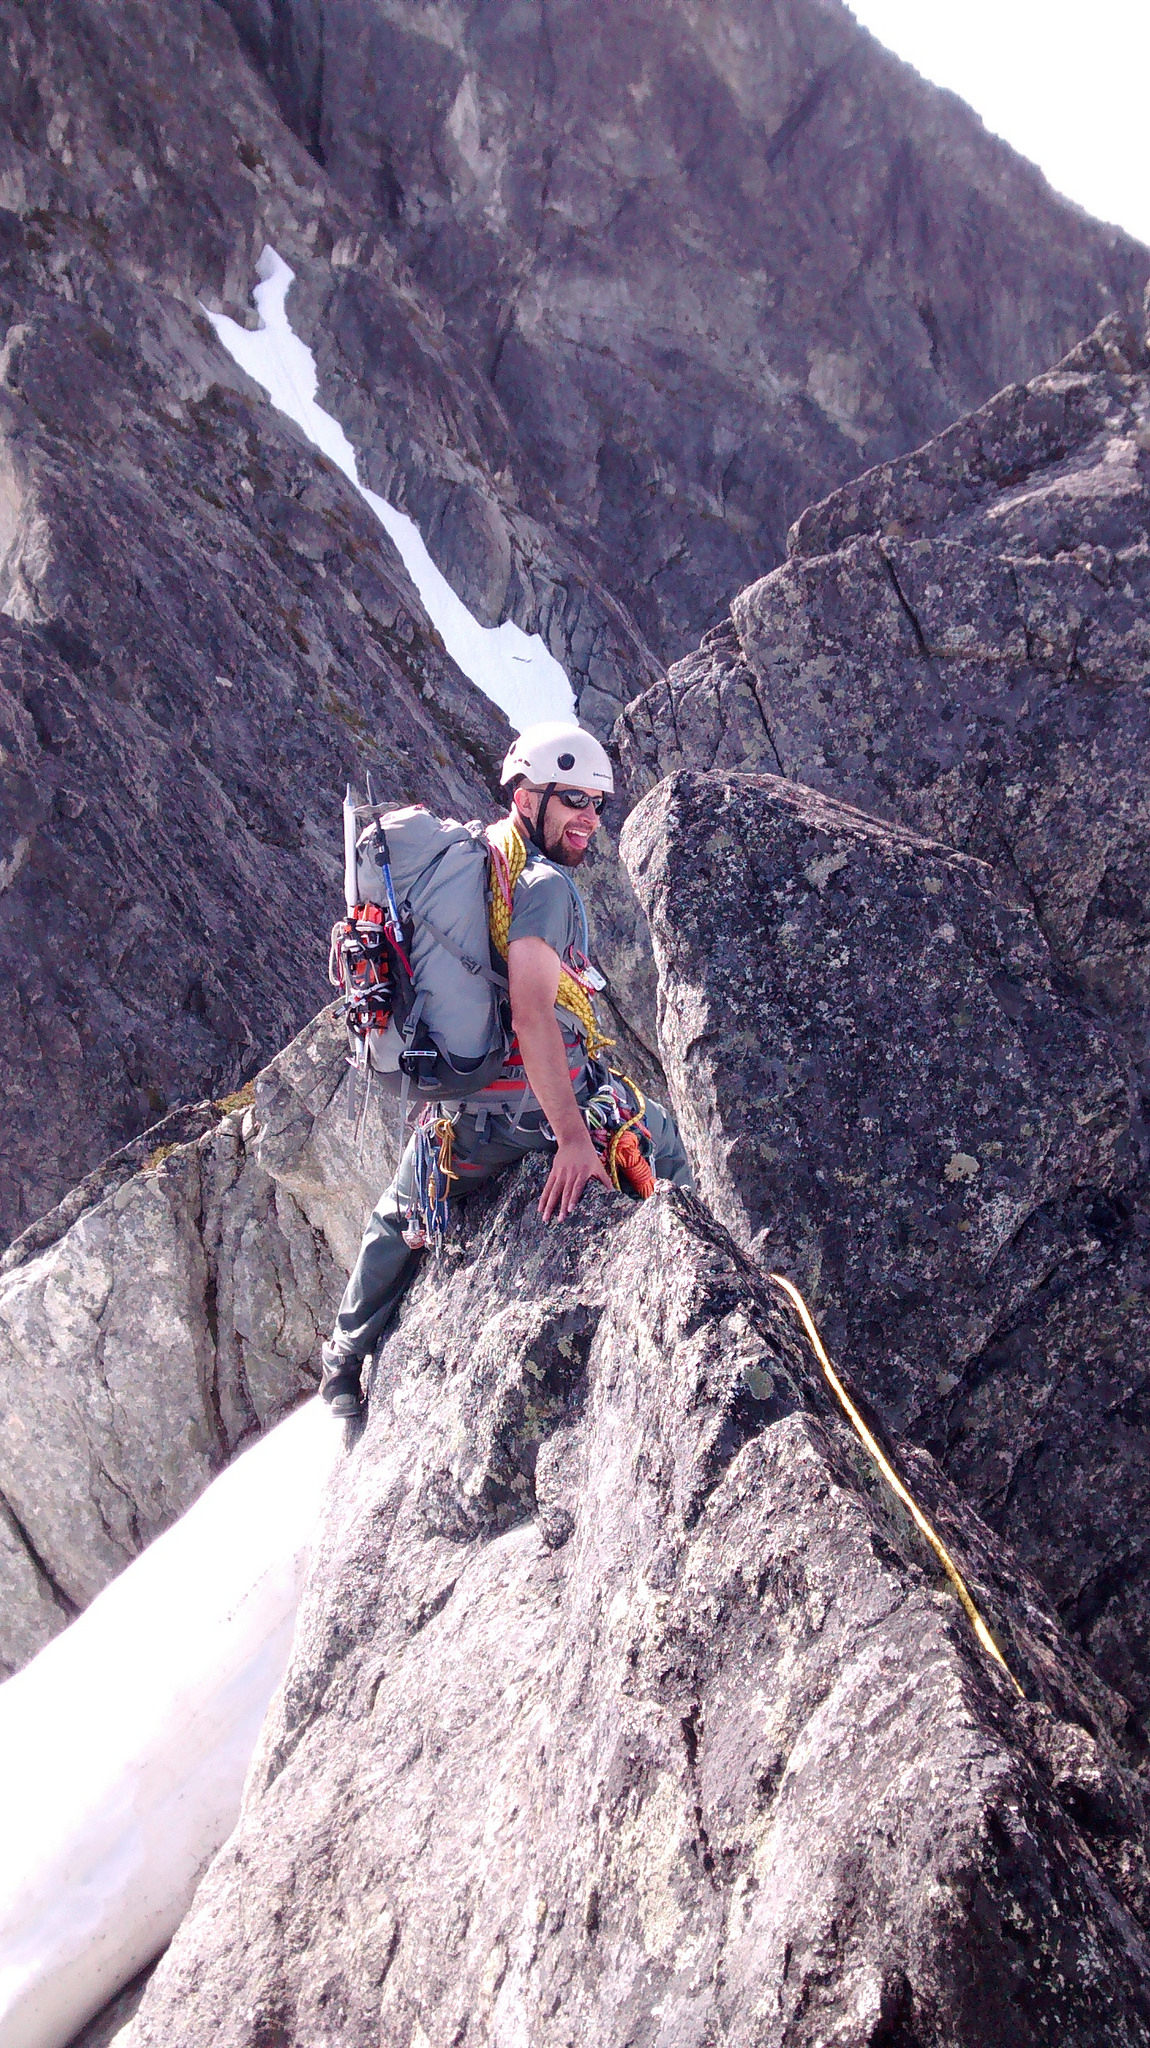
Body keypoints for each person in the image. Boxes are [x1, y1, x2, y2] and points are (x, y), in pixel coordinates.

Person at [320, 720, 693, 1417]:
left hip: (468, 1124)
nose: (589, 817)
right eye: (574, 799)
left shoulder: (478, 856)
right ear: (529, 798)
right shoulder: (542, 884)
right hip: (546, 1112)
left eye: (597, 804)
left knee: (397, 1215)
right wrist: (577, 1140)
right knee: (667, 1147)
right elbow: (532, 1016)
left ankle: (343, 1365)